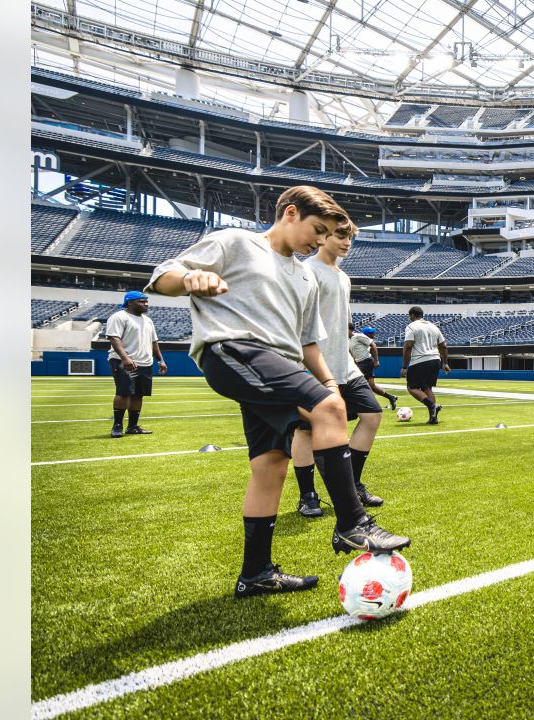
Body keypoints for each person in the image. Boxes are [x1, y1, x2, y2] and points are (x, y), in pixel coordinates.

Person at [146, 185, 409, 600]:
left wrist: (327, 384)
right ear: (290, 213)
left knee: (271, 464)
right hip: (233, 349)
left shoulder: (305, 276)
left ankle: (256, 573)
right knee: (327, 410)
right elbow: (161, 278)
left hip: (280, 365)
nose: (319, 241)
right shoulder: (236, 242)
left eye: (327, 236)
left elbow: (308, 343)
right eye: (316, 229)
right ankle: (352, 524)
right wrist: (190, 278)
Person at [291, 221, 386, 520]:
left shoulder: (343, 277)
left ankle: (353, 484)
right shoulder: (307, 271)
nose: (347, 243)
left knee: (372, 415)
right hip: (312, 365)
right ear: (324, 236)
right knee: (306, 431)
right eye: (341, 236)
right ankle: (308, 496)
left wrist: (348, 359)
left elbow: (341, 326)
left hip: (344, 364)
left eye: (350, 238)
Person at [105, 290, 167, 438]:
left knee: (139, 395)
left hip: (145, 362)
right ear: (130, 302)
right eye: (141, 301)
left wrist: (160, 360)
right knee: (124, 393)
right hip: (124, 361)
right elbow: (114, 338)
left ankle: (132, 426)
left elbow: (154, 342)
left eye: (146, 301)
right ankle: (117, 426)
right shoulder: (119, 317)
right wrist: (125, 358)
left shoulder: (148, 320)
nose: (145, 304)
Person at [401, 306, 450, 424]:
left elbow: (408, 346)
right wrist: (445, 363)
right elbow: (443, 346)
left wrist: (404, 367)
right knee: (427, 388)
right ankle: (433, 417)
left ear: (412, 315)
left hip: (420, 360)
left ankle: (432, 405)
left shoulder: (411, 326)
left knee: (412, 387)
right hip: (435, 360)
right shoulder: (434, 327)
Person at [350, 324, 398, 410]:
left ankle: (364, 405)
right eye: (371, 333)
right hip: (360, 363)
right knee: (371, 386)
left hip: (366, 362)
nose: (373, 334)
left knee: (356, 384)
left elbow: (374, 345)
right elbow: (353, 353)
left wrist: (376, 360)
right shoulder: (350, 340)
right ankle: (391, 397)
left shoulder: (358, 336)